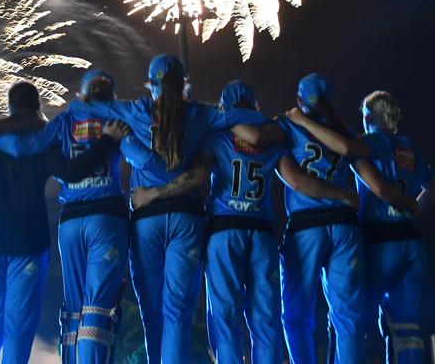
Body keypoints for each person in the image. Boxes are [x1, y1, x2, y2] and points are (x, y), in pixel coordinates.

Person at [66, 54, 282, 363]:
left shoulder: (135, 110)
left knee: (152, 311)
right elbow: (256, 122)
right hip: (187, 218)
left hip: (146, 221)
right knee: (177, 313)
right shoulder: (201, 113)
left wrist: (126, 141)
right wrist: (276, 129)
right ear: (184, 84)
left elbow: (79, 108)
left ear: (151, 85)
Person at [132, 81, 359, 364]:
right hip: (262, 234)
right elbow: (298, 181)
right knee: (266, 322)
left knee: (226, 321)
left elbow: (200, 180)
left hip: (224, 232)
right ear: (253, 105)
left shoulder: (215, 137)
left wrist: (157, 196)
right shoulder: (273, 141)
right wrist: (342, 195)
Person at [0, 71, 140, 364]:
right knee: (25, 325)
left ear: (10, 107)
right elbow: (74, 170)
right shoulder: (61, 136)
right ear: (37, 107)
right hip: (32, 242)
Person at [285, 90, 435, 364]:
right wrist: (410, 210)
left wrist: (303, 122)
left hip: (378, 243)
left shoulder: (366, 144)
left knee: (349, 317)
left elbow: (379, 187)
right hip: (412, 242)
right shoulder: (408, 146)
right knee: (408, 327)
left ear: (368, 117)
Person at [276, 73, 366, 364]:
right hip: (345, 226)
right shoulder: (345, 132)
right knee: (347, 317)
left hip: (306, 225)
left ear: (299, 100)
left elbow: (298, 182)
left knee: (296, 314)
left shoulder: (288, 126)